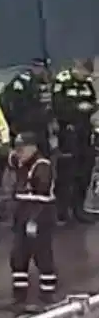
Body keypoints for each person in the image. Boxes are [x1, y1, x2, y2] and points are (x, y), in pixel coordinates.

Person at [8, 131, 57, 310]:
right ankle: (19, 296)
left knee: (42, 255)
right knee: (18, 256)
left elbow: (41, 198)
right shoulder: (21, 162)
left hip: (39, 216)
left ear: (33, 148)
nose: (18, 153)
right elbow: (7, 157)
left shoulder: (41, 166)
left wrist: (33, 221)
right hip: (22, 215)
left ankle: (48, 295)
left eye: (22, 149)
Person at [52, 60, 98, 222]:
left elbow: (93, 102)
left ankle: (78, 208)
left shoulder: (87, 83)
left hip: (84, 131)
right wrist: (77, 108)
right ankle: (61, 211)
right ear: (77, 69)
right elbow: (57, 106)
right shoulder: (62, 80)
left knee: (84, 170)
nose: (86, 77)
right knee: (67, 172)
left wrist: (90, 107)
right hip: (68, 132)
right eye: (84, 73)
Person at [0, 57, 54, 154]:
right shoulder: (22, 81)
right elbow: (10, 103)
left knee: (44, 154)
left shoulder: (47, 81)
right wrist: (13, 124)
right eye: (40, 68)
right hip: (24, 127)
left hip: (41, 128)